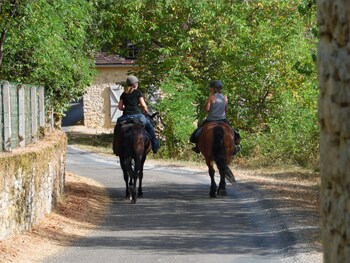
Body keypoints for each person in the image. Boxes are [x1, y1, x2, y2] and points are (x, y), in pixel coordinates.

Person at [190, 80, 241, 154]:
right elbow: (226, 110)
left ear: (215, 89)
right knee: (234, 132)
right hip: (223, 119)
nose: (210, 89)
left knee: (196, 133)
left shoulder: (211, 97)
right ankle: (234, 147)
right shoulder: (225, 97)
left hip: (211, 120)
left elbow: (207, 109)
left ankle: (197, 147)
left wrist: (205, 107)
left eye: (211, 88)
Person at [113, 75, 160, 154]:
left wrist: (126, 109)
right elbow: (143, 105)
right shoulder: (138, 93)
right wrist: (145, 111)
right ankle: (155, 146)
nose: (137, 85)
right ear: (135, 84)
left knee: (117, 128)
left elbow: (120, 107)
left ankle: (115, 148)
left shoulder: (124, 94)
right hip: (138, 116)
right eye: (137, 83)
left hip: (125, 117)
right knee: (150, 127)